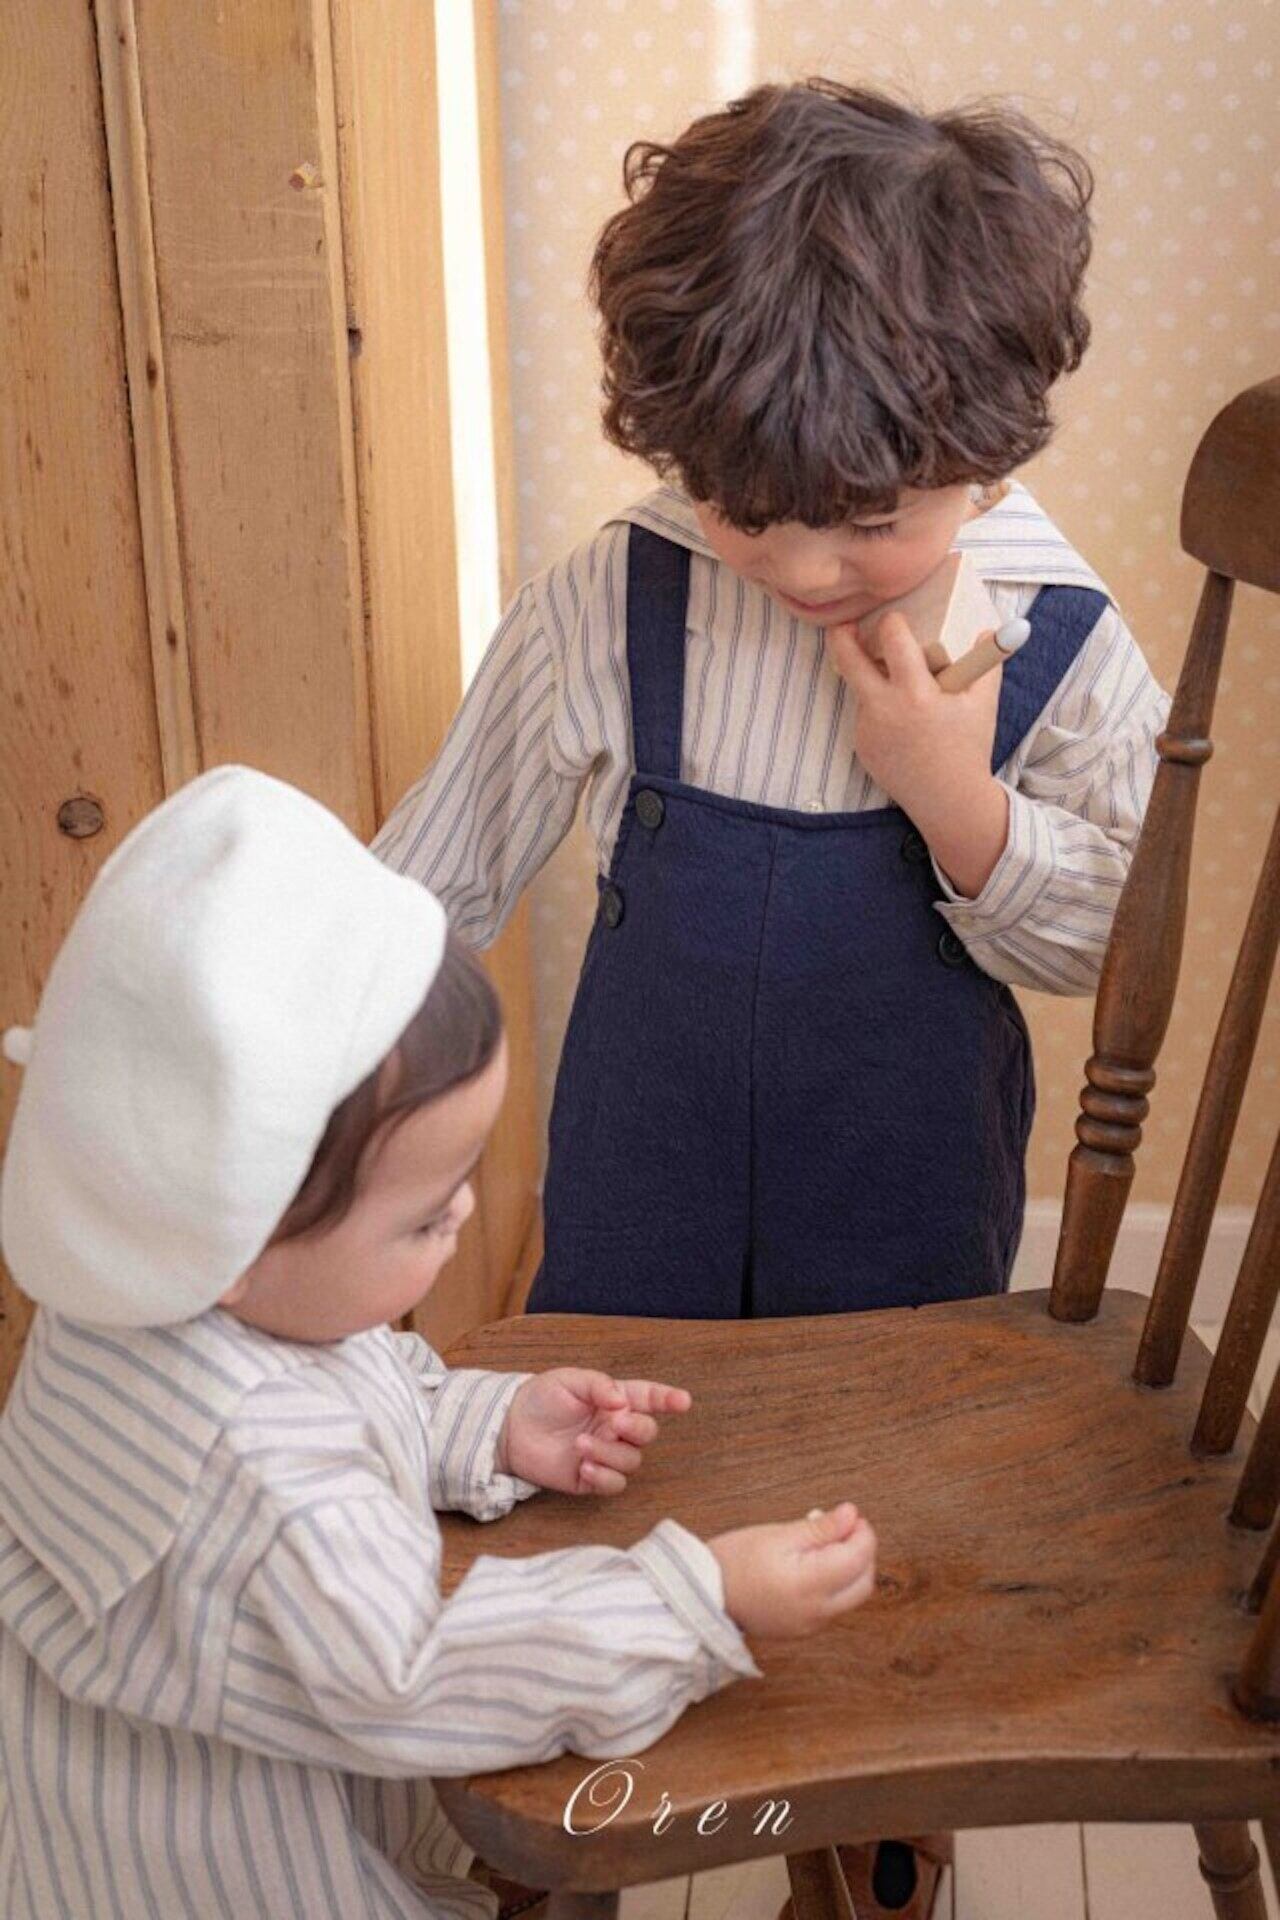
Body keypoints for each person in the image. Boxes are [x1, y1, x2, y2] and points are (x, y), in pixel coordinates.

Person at [372, 81, 1168, 1917]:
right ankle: (599, 1762)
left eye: (866, 522)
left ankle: (870, 1831)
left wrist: (953, 794)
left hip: (897, 1218)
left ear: (989, 446)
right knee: (608, 1487)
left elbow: (1109, 952)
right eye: (747, 512)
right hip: (640, 1203)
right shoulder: (617, 600)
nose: (806, 567)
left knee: (885, 1533)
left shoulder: (1058, 635)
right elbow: (434, 879)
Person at [0, 767, 878, 1920]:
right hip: (228, 1875)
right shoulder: (262, 1492)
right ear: (235, 1237)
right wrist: (698, 1597)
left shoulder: (144, 1274)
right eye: (422, 1217)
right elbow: (428, 1667)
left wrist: (490, 1424)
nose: (463, 1213)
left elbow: (340, 1388)